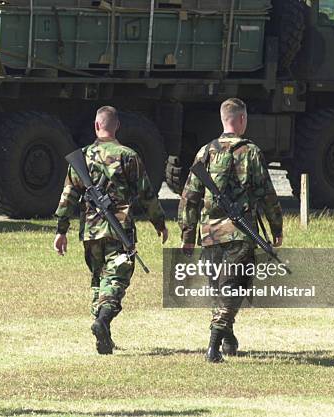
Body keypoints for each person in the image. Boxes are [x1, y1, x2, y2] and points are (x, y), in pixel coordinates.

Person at [53, 106, 168, 354]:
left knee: (99, 280)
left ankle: (102, 336)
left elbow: (68, 196)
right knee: (116, 278)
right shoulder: (128, 155)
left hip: (91, 231)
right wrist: (159, 222)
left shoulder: (82, 157)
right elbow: (146, 193)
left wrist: (61, 230)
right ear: (117, 127)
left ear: (96, 126)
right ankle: (103, 321)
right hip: (120, 230)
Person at [177, 98, 283, 363]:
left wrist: (188, 236)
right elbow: (267, 194)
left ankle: (228, 337)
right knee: (234, 288)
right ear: (242, 120)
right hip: (239, 233)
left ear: (223, 119)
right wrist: (276, 227)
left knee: (220, 288)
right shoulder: (251, 152)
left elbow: (189, 196)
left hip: (210, 233)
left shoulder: (205, 151)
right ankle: (214, 343)